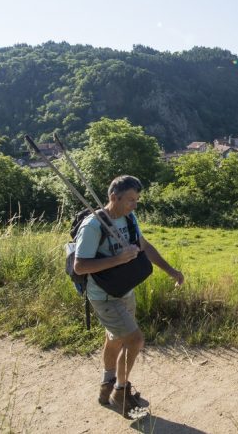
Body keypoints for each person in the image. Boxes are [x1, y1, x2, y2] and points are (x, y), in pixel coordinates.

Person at [74, 175, 184, 416]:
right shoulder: (93, 226)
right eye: (130, 200)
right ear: (114, 197)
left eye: (137, 200)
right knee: (134, 340)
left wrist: (172, 271)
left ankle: (106, 387)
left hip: (125, 290)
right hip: (103, 296)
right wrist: (118, 258)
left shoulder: (129, 218)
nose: (135, 205)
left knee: (114, 339)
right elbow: (80, 266)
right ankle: (121, 392)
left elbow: (144, 246)